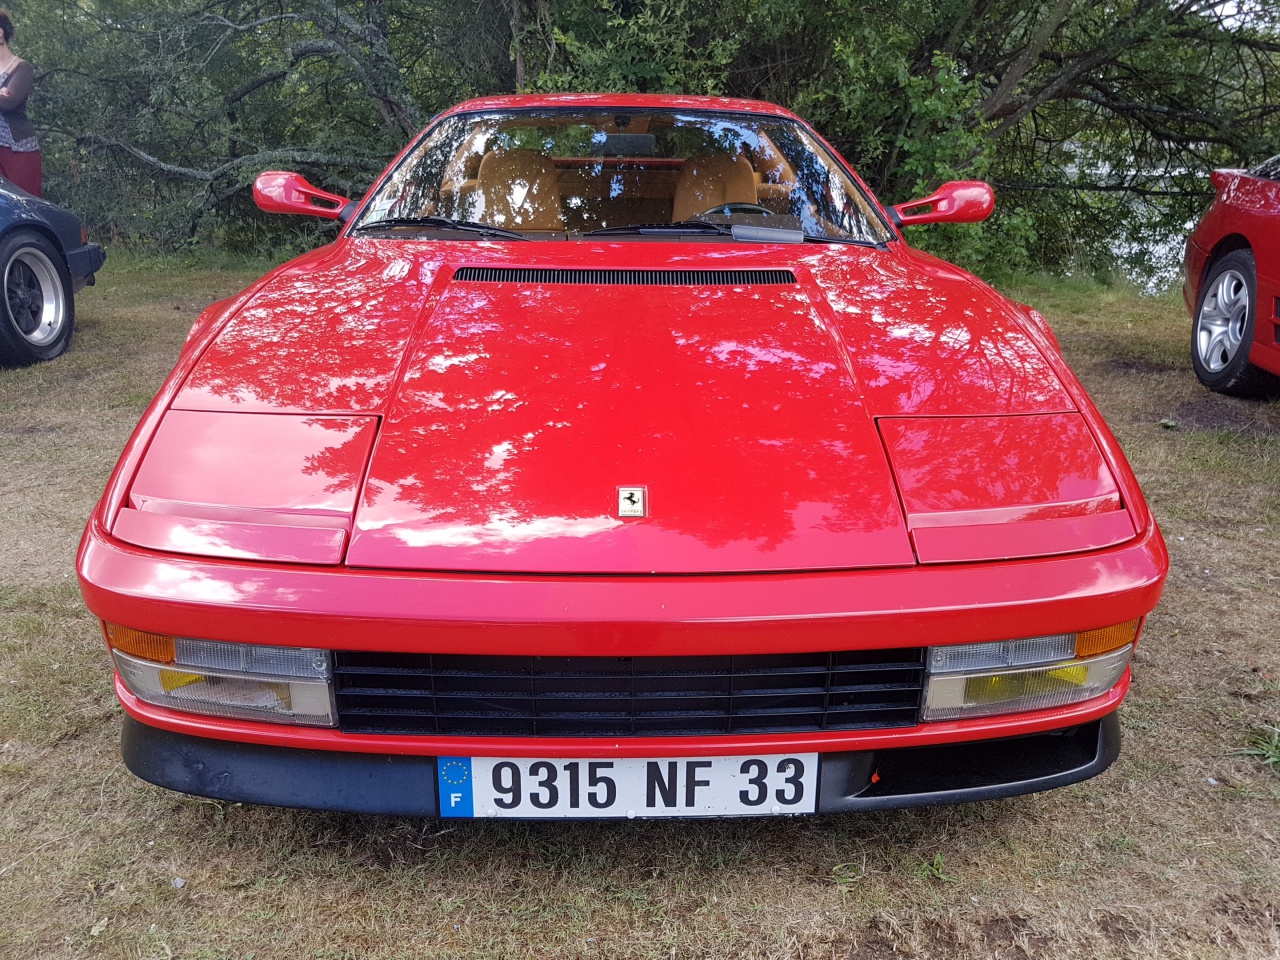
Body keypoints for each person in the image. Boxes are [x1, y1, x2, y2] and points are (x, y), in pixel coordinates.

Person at [0, 9, 40, 197]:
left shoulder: (22, 68)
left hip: (16, 153)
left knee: (25, 209)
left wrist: (5, 97)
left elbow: (9, 103)